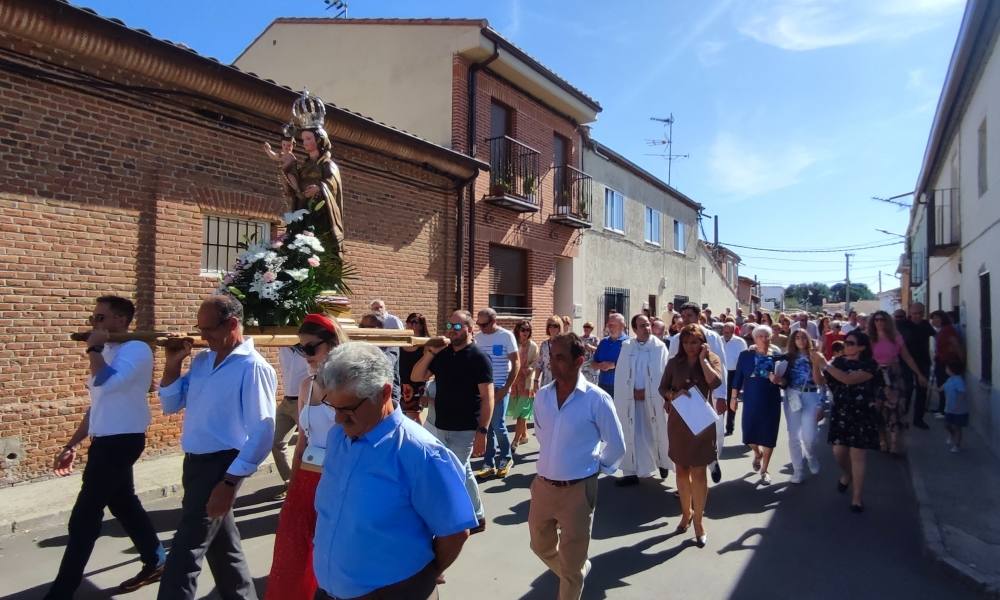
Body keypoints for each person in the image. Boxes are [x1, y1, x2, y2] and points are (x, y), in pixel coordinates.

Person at [313, 343, 477, 600]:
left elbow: (455, 532)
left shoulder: (421, 453)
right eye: (333, 407)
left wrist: (421, 580)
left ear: (384, 393)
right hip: (329, 591)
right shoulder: (338, 438)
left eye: (348, 409)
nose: (337, 419)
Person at [157, 295, 277, 600]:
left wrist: (229, 481)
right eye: (199, 328)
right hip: (194, 463)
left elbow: (263, 431)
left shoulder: (253, 367)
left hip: (222, 466)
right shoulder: (202, 361)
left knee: (185, 552)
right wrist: (173, 363)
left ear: (233, 324)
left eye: (207, 328)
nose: (202, 336)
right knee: (224, 548)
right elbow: (171, 404)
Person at [45, 296, 166, 598]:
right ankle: (156, 560)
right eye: (93, 318)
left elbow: (107, 383)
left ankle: (62, 589)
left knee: (84, 516)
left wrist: (94, 348)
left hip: (122, 441)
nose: (94, 323)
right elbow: (97, 404)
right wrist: (73, 442)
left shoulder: (136, 349)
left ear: (121, 321)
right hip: (104, 440)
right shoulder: (109, 350)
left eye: (100, 318)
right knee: (124, 504)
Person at [529, 333, 626, 600]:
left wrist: (596, 469)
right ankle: (575, 572)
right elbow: (542, 435)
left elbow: (617, 445)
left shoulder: (597, 399)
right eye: (550, 357)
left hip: (578, 491)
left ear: (579, 361)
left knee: (571, 567)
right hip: (543, 486)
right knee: (539, 545)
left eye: (559, 358)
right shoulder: (542, 397)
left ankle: (572, 575)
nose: (551, 363)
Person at [266, 314, 346, 600]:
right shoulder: (306, 386)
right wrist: (294, 483)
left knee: (331, 551)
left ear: (333, 344)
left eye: (311, 348)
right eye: (301, 349)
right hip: (307, 480)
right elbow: (302, 440)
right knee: (294, 550)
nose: (305, 356)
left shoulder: (348, 386)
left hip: (338, 480)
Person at [410, 310, 493, 532]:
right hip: (437, 425)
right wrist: (429, 353)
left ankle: (469, 516)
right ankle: (471, 514)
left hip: (464, 428)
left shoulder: (478, 358)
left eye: (457, 326)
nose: (452, 330)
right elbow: (417, 376)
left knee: (458, 470)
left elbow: (487, 398)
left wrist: (482, 432)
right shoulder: (443, 354)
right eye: (449, 325)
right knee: (455, 470)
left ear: (469, 329)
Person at [659, 324, 723, 547]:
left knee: (699, 472)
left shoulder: (711, 359)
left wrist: (704, 359)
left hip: (702, 423)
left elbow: (715, 382)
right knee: (681, 471)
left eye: (694, 342)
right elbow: (662, 389)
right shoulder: (674, 363)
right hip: (679, 421)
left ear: (702, 342)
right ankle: (686, 513)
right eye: (686, 342)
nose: (690, 346)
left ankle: (699, 521)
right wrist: (674, 393)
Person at [812, 330, 878, 512]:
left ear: (862, 347)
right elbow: (820, 381)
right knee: (838, 451)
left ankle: (857, 498)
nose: (846, 345)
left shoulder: (870, 365)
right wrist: (816, 364)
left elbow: (848, 380)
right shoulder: (838, 362)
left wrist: (824, 364)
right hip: (841, 412)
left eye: (850, 343)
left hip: (862, 413)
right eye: (846, 342)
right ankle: (847, 474)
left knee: (858, 455)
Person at [667, 303, 728, 484]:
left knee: (712, 432)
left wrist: (722, 395)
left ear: (698, 316)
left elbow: (721, 367)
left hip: (708, 391)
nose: (685, 319)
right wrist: (669, 396)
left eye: (689, 315)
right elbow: (670, 368)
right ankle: (687, 480)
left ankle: (712, 460)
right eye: (683, 315)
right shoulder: (676, 339)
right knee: (686, 435)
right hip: (685, 394)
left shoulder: (712, 337)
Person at [613, 314, 671, 486]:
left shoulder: (659, 347)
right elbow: (621, 375)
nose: (646, 328)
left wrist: (648, 392)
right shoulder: (627, 346)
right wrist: (631, 392)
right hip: (631, 401)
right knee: (632, 434)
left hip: (653, 400)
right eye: (642, 326)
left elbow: (664, 373)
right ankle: (630, 472)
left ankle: (662, 463)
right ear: (634, 329)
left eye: (648, 325)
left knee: (657, 432)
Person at [868, 310, 927, 456]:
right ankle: (882, 440)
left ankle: (894, 443)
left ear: (887, 321)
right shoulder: (869, 338)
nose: (879, 322)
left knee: (895, 409)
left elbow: (907, 357)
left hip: (894, 375)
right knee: (878, 409)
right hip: (876, 376)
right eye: (876, 320)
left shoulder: (896, 337)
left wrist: (919, 374)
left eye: (882, 319)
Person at [731, 325, 783, 485]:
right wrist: (733, 398)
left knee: (769, 435)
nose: (764, 339)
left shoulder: (777, 356)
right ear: (754, 338)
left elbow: (786, 378)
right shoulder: (746, 355)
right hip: (751, 399)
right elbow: (738, 377)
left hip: (771, 399)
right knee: (748, 434)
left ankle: (765, 469)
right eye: (760, 336)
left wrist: (779, 379)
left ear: (771, 338)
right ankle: (757, 452)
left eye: (766, 336)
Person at [473, 308, 520, 479]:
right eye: (478, 324)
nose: (481, 328)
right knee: (487, 427)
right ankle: (488, 462)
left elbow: (516, 363)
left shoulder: (506, 336)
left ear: (493, 321)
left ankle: (506, 458)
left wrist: (507, 387)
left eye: (483, 324)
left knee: (498, 425)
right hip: (484, 388)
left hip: (500, 387)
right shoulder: (477, 338)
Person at [779, 329, 825, 483]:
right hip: (792, 395)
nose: (800, 340)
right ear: (793, 340)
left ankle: (811, 456)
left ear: (808, 339)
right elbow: (772, 361)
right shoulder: (788, 357)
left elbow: (823, 382)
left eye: (803, 337)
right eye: (797, 337)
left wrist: (822, 403)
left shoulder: (815, 356)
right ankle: (798, 470)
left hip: (811, 395)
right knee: (793, 436)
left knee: (809, 436)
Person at [273, 345, 310, 499]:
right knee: (275, 441)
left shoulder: (308, 348)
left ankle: (307, 485)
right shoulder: (282, 347)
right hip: (287, 401)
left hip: (304, 401)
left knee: (306, 446)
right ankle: (290, 482)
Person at [896, 302, 935, 429]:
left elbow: (936, 336)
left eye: (920, 313)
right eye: (914, 313)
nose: (917, 316)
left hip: (923, 361)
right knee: (906, 390)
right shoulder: (902, 325)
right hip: (905, 362)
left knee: (922, 391)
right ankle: (902, 418)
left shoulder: (926, 325)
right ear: (909, 313)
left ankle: (918, 419)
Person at [359, 312, 403, 406]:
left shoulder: (390, 344)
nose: (364, 330)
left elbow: (385, 364)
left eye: (369, 327)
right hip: (363, 397)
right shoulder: (360, 345)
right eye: (362, 326)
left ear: (379, 328)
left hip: (387, 398)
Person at [508, 319, 539, 450]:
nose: (525, 332)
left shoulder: (533, 346)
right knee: (519, 411)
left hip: (527, 383)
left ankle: (515, 441)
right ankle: (524, 435)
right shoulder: (513, 344)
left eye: (528, 330)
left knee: (522, 412)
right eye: (523, 330)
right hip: (515, 382)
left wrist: (531, 368)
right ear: (518, 330)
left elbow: (537, 361)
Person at [930, 310, 965, 415]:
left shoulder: (947, 330)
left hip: (946, 362)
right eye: (932, 318)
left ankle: (944, 411)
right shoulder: (942, 330)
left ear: (943, 318)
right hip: (941, 361)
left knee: (945, 387)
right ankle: (941, 408)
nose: (934, 321)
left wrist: (962, 360)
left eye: (936, 318)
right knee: (942, 385)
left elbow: (956, 345)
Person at [400, 313, 431, 423]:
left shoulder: (426, 344)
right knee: (404, 415)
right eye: (408, 322)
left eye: (414, 322)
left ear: (422, 325)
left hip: (417, 384)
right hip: (402, 383)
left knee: (413, 415)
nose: (410, 325)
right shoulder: (403, 341)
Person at [592, 312, 629, 399]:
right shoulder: (603, 342)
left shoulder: (629, 343)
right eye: (609, 325)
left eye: (613, 325)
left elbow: (632, 364)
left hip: (621, 386)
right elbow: (593, 363)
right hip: (602, 385)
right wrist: (598, 365)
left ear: (622, 326)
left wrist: (613, 365)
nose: (610, 328)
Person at [721, 321, 747, 437]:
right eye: (724, 331)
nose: (726, 333)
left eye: (728, 331)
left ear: (733, 331)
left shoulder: (740, 342)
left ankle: (730, 427)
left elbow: (743, 359)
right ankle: (718, 426)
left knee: (732, 399)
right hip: (721, 373)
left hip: (734, 373)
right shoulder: (719, 340)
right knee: (720, 398)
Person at [942, 360, 968, 452]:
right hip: (949, 408)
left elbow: (962, 393)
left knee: (957, 427)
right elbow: (941, 388)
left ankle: (957, 445)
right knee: (947, 425)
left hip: (958, 409)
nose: (946, 369)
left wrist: (957, 405)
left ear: (952, 370)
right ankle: (952, 435)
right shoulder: (949, 379)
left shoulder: (959, 380)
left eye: (947, 368)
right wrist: (928, 386)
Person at [536, 315, 563, 392]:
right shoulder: (544, 345)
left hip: (560, 382)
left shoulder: (564, 345)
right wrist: (535, 380)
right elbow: (539, 364)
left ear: (559, 328)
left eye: (555, 326)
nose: (552, 328)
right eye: (550, 326)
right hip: (546, 383)